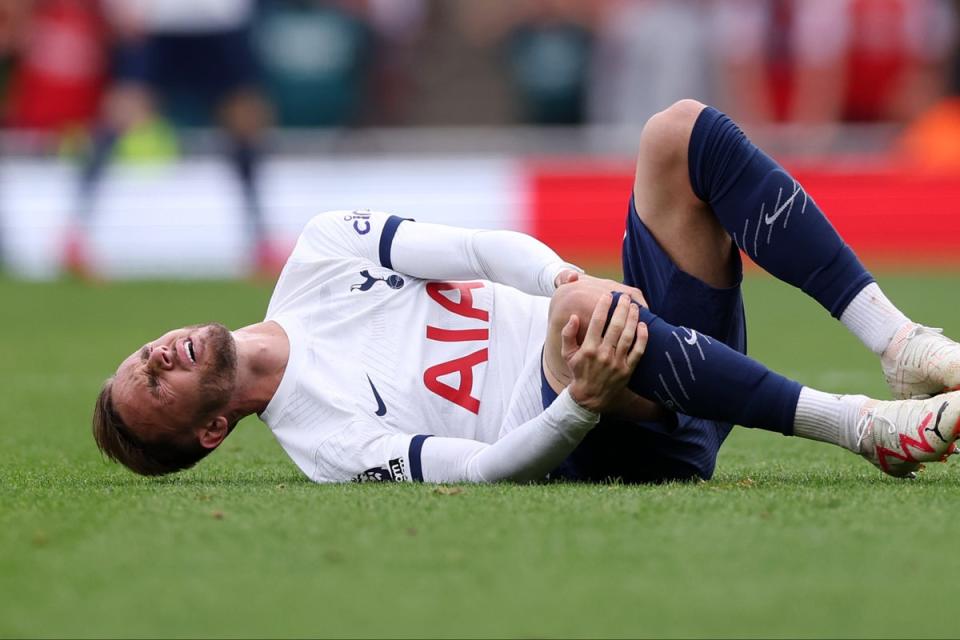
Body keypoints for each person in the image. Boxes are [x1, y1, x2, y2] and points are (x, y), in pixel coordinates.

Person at [92, 99, 960, 484]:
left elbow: (471, 247)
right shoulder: (325, 447)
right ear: (210, 431)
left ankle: (899, 344)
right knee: (581, 320)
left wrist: (559, 277)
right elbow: (477, 468)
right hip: (614, 431)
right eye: (157, 383)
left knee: (679, 133)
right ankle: (862, 430)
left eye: (143, 357)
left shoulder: (318, 253)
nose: (160, 354)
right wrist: (578, 405)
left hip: (647, 343)